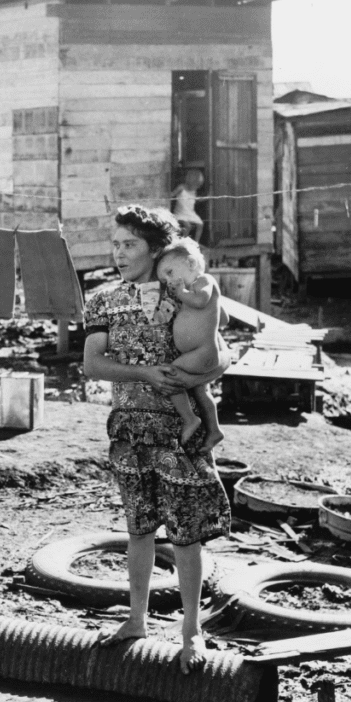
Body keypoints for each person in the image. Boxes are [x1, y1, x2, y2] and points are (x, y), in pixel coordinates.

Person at [82, 205, 231, 675]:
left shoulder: (185, 294)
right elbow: (93, 365)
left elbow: (215, 351)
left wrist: (205, 401)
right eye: (115, 244)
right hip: (129, 428)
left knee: (186, 536)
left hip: (178, 429)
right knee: (139, 529)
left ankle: (191, 631)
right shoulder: (103, 299)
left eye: (129, 244)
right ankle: (136, 620)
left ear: (154, 248)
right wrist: (143, 372)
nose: (119, 253)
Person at [155, 238, 226, 452]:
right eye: (163, 278)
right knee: (201, 393)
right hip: (198, 353)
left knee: (170, 377)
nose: (168, 281)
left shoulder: (204, 281)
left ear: (191, 264)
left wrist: (182, 295)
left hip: (202, 352)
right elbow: (224, 318)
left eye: (169, 272)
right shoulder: (188, 293)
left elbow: (201, 301)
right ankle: (214, 431)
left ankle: (190, 419)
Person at [171, 169, 204, 243]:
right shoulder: (181, 187)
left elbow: (197, 199)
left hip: (190, 213)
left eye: (198, 186)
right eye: (196, 185)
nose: (197, 187)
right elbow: (172, 194)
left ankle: (196, 242)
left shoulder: (194, 191)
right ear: (190, 182)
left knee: (200, 224)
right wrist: (169, 195)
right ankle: (183, 242)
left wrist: (206, 198)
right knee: (188, 226)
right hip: (180, 213)